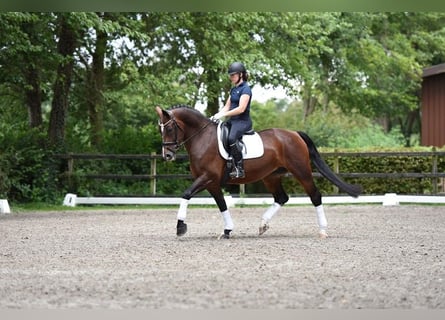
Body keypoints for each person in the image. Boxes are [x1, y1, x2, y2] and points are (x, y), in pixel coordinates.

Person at [212, 62, 253, 179]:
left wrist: (224, 114)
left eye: (233, 75)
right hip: (232, 120)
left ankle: (240, 168)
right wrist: (217, 115)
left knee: (231, 138)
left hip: (242, 121)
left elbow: (241, 109)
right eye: (230, 75)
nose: (231, 78)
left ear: (241, 75)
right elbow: (227, 106)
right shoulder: (233, 90)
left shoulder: (246, 89)